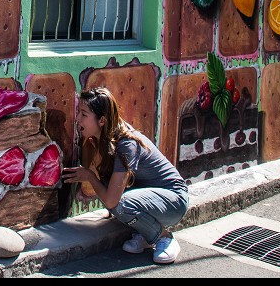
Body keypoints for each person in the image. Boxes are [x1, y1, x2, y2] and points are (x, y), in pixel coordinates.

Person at [62, 87, 189, 265]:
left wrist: (90, 177)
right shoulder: (103, 140)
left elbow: (112, 201)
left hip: (174, 201)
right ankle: (145, 233)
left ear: (102, 120)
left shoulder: (126, 144)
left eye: (84, 114)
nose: (78, 119)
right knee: (113, 194)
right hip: (152, 196)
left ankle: (163, 238)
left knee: (120, 204)